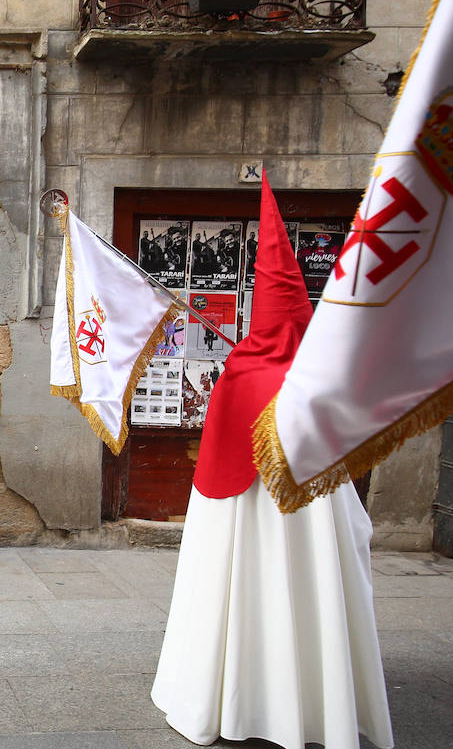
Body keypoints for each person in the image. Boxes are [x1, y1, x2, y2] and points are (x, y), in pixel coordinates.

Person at [151, 176, 392, 749]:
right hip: (312, 513)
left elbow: (217, 454)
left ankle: (232, 697)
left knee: (238, 596)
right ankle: (315, 701)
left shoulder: (240, 370)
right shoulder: (320, 374)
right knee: (311, 595)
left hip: (241, 512)